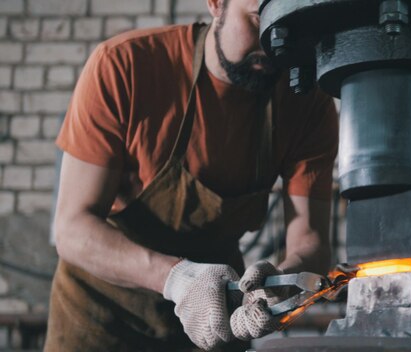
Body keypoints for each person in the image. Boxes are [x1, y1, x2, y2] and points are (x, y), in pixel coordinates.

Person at [44, 0, 338, 350]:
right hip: (102, 315)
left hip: (218, 316)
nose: (272, 42)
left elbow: (311, 243)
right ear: (216, 4)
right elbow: (72, 229)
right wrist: (179, 279)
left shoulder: (305, 100)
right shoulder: (125, 65)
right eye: (259, 19)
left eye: (285, 24)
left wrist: (279, 284)